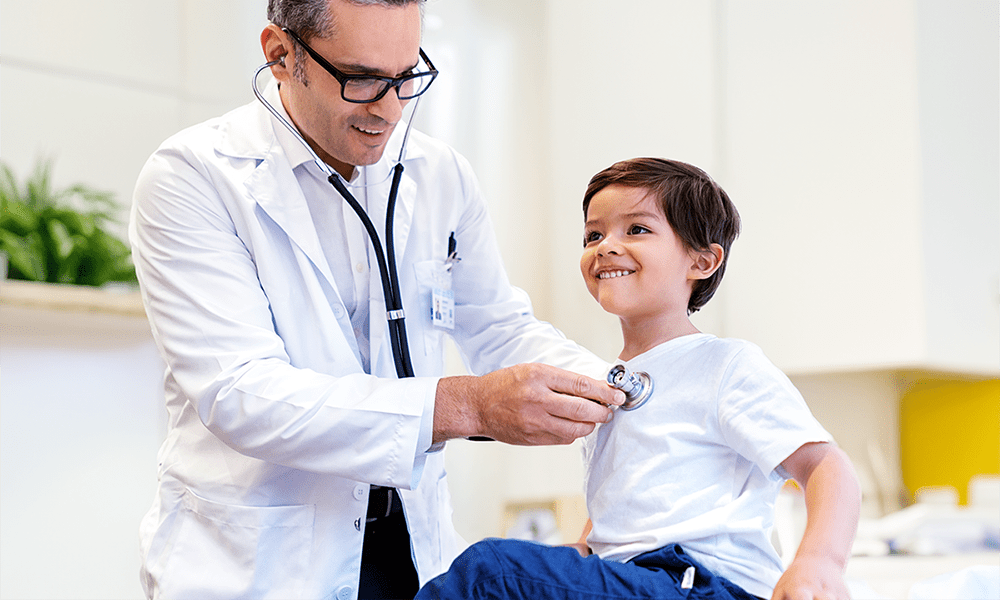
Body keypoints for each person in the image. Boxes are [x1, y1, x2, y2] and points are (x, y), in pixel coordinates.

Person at [128, 1, 624, 598]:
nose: (390, 109)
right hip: (262, 562)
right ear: (281, 55)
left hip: (412, 548)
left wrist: (628, 388)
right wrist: (468, 407)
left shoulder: (439, 174)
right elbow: (241, 393)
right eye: (361, 79)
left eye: (406, 75)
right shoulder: (194, 177)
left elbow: (500, 327)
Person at [415, 158, 862, 600]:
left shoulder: (726, 366)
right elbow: (628, 502)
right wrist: (580, 551)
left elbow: (826, 466)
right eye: (594, 235)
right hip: (638, 579)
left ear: (702, 261)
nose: (606, 246)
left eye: (637, 229)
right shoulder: (610, 382)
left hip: (702, 583)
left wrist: (819, 562)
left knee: (490, 572)